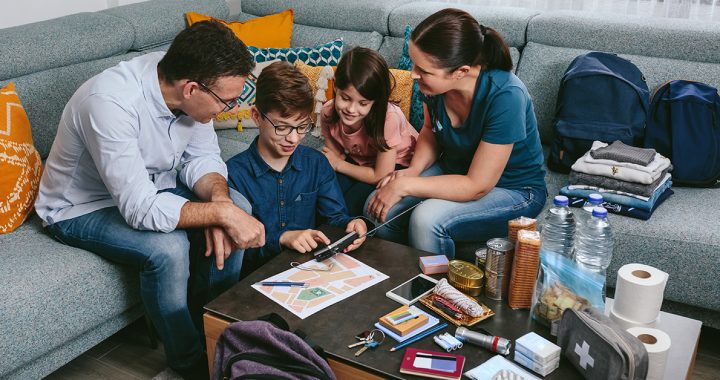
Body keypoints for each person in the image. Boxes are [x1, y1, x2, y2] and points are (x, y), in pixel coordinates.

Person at [34, 21, 264, 379]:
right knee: (168, 248)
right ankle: (190, 363)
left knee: (240, 207)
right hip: (80, 207)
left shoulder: (187, 81)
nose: (229, 108)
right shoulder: (110, 103)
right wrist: (219, 213)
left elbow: (201, 160)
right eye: (227, 101)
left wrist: (223, 207)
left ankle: (214, 332)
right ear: (191, 89)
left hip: (152, 186)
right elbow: (139, 208)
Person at [366, 8, 547, 258]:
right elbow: (430, 130)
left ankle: (434, 291)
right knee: (376, 206)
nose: (413, 74)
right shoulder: (432, 86)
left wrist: (407, 185)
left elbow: (476, 186)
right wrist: (413, 171)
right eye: (415, 64)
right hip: (455, 169)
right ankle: (401, 275)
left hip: (514, 189)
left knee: (426, 220)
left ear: (461, 71)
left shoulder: (506, 95)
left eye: (424, 70)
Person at [226, 61, 368, 272]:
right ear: (256, 116)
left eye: (302, 126)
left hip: (309, 272)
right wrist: (282, 238)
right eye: (282, 127)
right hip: (254, 281)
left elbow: (335, 218)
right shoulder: (233, 175)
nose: (293, 138)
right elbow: (236, 250)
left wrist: (354, 224)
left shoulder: (316, 164)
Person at [321, 47, 418, 216]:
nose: (351, 109)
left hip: (396, 165)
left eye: (363, 103)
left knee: (350, 206)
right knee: (324, 197)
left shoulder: (389, 118)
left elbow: (380, 174)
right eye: (345, 98)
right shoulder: (327, 112)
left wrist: (339, 165)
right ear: (335, 85)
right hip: (361, 161)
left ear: (375, 101)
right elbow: (333, 158)